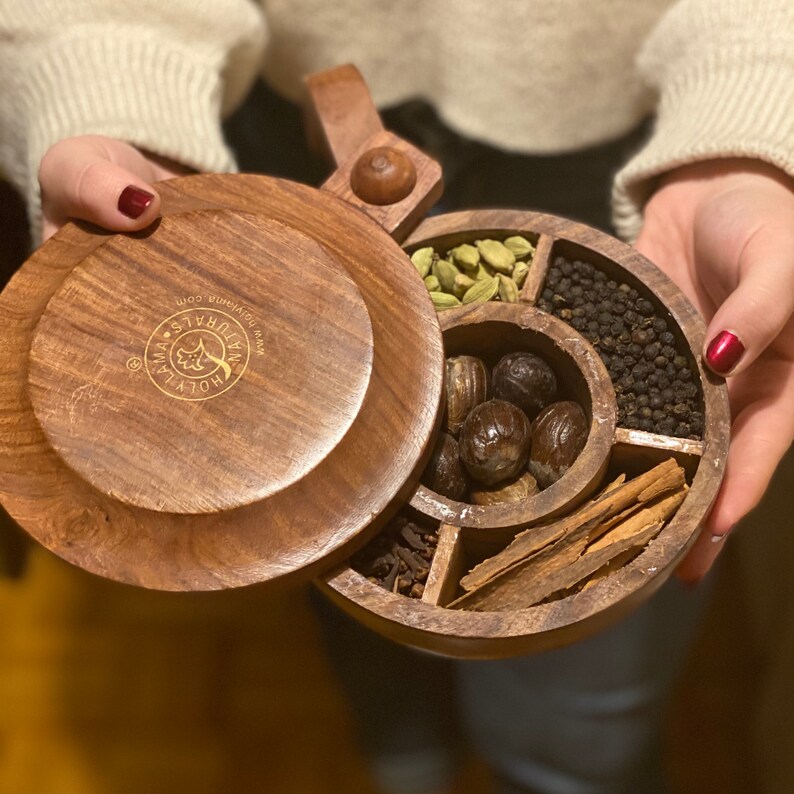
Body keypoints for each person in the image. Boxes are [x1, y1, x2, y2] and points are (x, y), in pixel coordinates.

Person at [1, 1, 792, 791]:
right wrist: (112, 83)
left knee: (584, 713)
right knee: (322, 528)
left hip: (635, 138)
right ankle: (406, 759)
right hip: (259, 122)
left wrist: (751, 129)